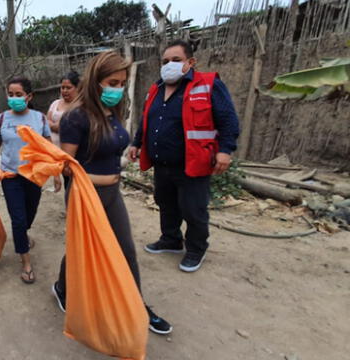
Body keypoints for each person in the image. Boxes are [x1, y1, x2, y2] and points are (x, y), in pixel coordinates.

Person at [52, 51, 172, 335]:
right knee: (80, 250)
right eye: (113, 82)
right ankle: (61, 287)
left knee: (126, 249)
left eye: (122, 83)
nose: (118, 89)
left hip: (112, 194)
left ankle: (136, 305)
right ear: (96, 82)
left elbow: (113, 147)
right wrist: (102, 176)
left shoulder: (113, 114)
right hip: (85, 197)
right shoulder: (75, 118)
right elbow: (66, 166)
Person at [127, 39, 240, 273]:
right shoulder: (156, 89)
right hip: (162, 163)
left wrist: (225, 150)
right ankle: (171, 239)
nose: (169, 64)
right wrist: (137, 143)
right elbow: (146, 119)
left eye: (176, 60)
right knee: (165, 203)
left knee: (193, 209)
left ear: (190, 62)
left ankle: (196, 249)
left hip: (193, 163)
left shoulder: (208, 84)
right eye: (165, 61)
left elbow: (228, 119)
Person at [0, 76, 62, 284]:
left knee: (29, 214)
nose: (14, 98)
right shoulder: (1, 119)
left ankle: (22, 235)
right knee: (18, 219)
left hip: (34, 175)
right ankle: (25, 262)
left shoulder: (39, 119)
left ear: (29, 96)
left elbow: (48, 147)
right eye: (10, 94)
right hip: (11, 176)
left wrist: (56, 172)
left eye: (18, 94)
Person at [47, 71, 80, 147]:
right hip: (52, 148)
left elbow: (63, 128)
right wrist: (54, 125)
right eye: (62, 87)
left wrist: (52, 125)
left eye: (68, 88)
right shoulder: (55, 103)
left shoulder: (79, 106)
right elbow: (46, 123)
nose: (65, 91)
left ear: (77, 88)